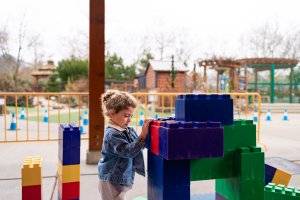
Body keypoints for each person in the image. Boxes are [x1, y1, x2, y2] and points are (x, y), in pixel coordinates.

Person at [98, 89, 152, 200]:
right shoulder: (112, 134)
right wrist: (142, 135)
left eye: (131, 116)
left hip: (121, 178)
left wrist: (149, 134)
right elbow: (128, 151)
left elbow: (138, 144)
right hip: (111, 180)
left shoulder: (127, 129)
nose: (129, 120)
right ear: (112, 113)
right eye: (126, 115)